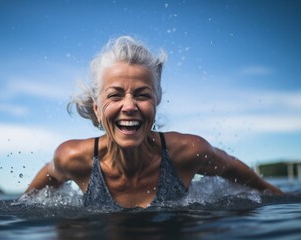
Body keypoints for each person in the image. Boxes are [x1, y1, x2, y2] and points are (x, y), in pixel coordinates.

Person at [26, 36, 282, 210]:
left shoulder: (188, 151)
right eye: (115, 95)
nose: (129, 106)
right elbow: (30, 198)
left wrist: (284, 199)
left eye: (142, 94)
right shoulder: (73, 157)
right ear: (96, 107)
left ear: (156, 102)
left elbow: (231, 168)